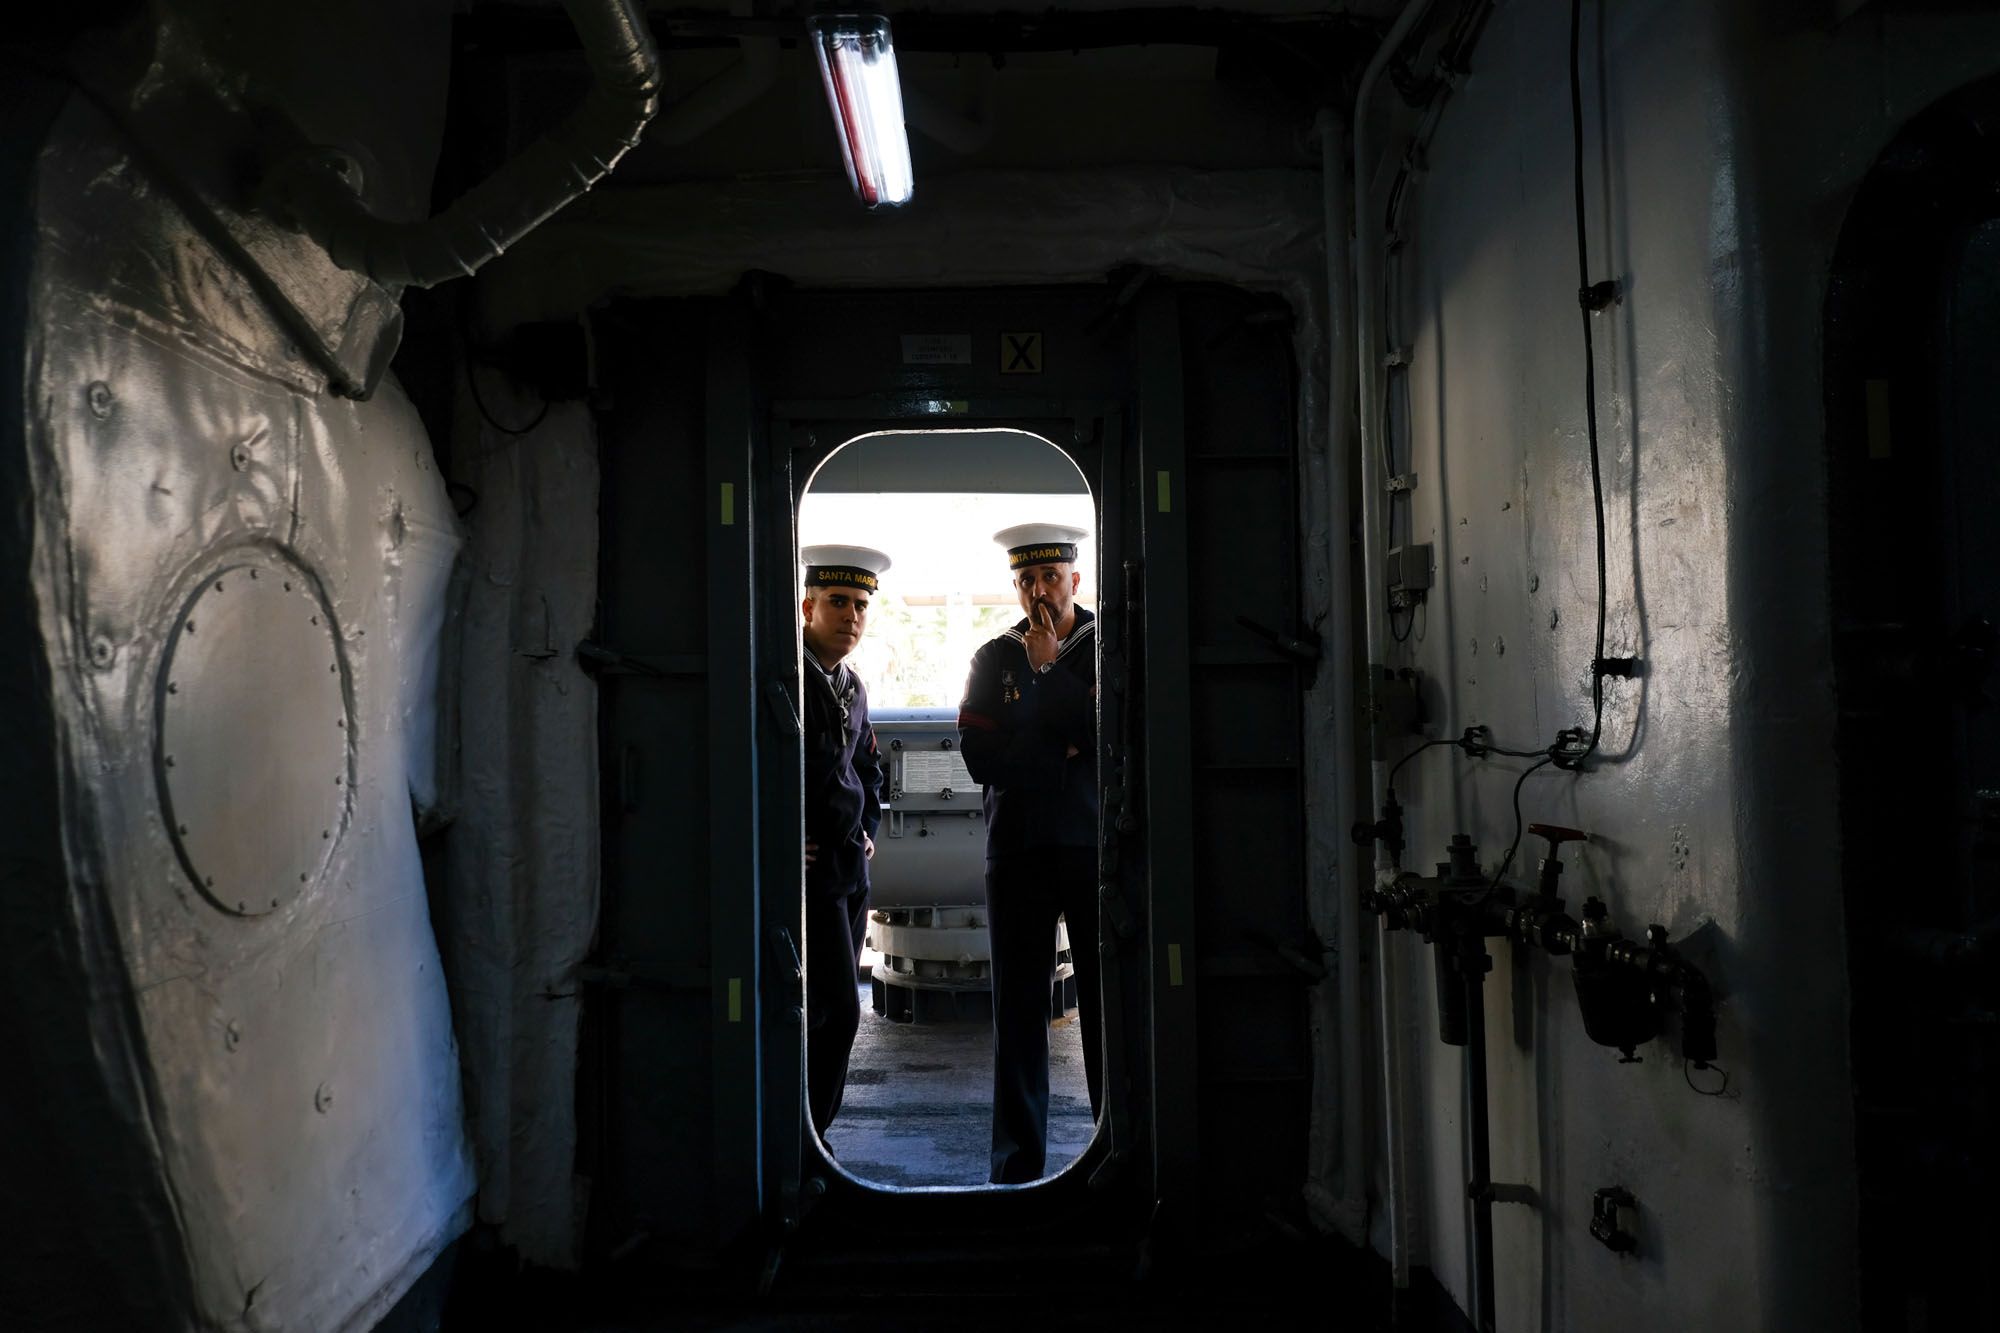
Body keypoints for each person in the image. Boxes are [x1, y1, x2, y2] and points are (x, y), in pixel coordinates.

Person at [956, 522, 1102, 1184]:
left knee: (1106, 1004)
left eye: (1050, 577)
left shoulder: (1107, 647)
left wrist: (1048, 671)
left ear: (1075, 579)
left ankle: (1115, 1143)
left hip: (1091, 842)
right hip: (1016, 847)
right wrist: (1061, 749)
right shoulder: (993, 658)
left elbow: (1108, 734)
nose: (1039, 591)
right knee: (1018, 1011)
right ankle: (1015, 1166)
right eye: (1026, 580)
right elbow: (980, 757)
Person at [799, 543, 890, 1146]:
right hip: (808, 871)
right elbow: (750, 765)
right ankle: (808, 1135)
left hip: (849, 865)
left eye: (860, 604)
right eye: (838, 601)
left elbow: (866, 766)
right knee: (835, 1007)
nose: (851, 616)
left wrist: (868, 829)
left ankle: (811, 1132)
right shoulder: (786, 676)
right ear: (808, 606)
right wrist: (777, 838)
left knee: (834, 1008)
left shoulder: (850, 685)